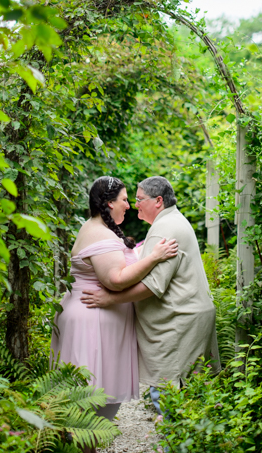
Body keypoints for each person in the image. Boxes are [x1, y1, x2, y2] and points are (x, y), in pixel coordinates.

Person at [81, 176, 220, 416]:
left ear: (158, 201)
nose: (134, 205)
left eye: (138, 199)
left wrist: (110, 299)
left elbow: (153, 285)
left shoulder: (165, 228)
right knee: (192, 394)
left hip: (179, 322)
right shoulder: (173, 221)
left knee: (168, 395)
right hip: (188, 317)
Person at [50, 176, 179, 422]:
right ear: (110, 203)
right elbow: (116, 279)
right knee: (88, 398)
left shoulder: (99, 229)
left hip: (91, 316)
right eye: (125, 199)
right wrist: (154, 257)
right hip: (91, 320)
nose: (129, 205)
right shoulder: (101, 234)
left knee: (92, 399)